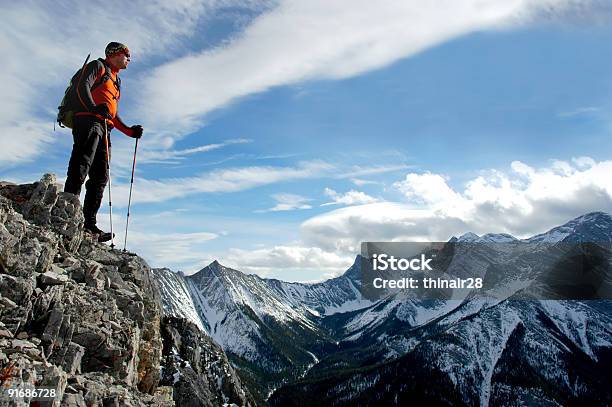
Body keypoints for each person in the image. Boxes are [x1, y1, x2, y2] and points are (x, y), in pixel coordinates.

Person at [64, 42, 143, 241]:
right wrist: (93, 108)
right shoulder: (97, 67)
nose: (129, 59)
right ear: (114, 54)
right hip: (88, 121)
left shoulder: (116, 81)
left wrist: (129, 131)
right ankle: (66, 214)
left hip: (103, 126)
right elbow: (83, 88)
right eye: (127, 55)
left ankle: (89, 224)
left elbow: (111, 111)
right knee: (82, 164)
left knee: (100, 176)